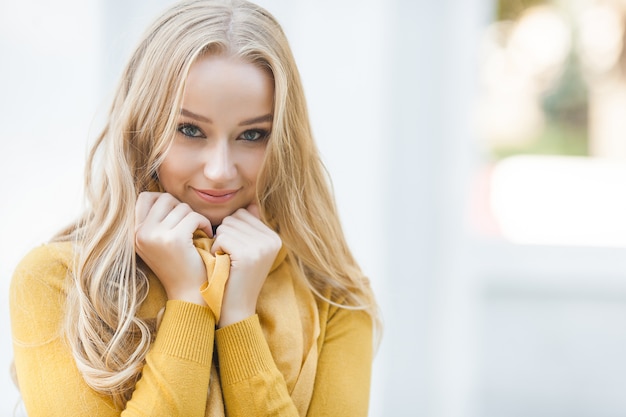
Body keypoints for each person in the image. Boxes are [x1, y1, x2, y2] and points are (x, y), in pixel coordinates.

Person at [9, 0, 380, 416]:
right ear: (143, 128)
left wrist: (239, 317)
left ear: (284, 141)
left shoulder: (334, 295)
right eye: (189, 130)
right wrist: (189, 300)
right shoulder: (58, 282)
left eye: (253, 135)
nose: (220, 171)